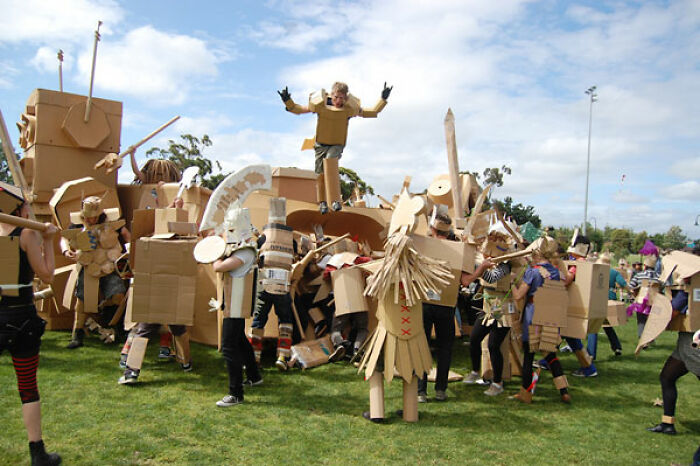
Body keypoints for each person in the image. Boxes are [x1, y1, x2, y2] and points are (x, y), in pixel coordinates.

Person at [0, 182, 61, 465]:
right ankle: (38, 454)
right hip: (20, 318)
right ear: (18, 208)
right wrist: (47, 239)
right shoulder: (25, 233)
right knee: (27, 387)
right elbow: (47, 275)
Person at [278, 81, 392, 214]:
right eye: (336, 97)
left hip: (337, 144)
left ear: (346, 98)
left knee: (330, 161)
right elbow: (298, 110)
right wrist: (287, 100)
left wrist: (383, 99)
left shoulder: (349, 109)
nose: (338, 101)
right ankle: (322, 203)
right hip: (321, 144)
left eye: (341, 98)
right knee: (320, 173)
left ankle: (335, 200)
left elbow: (372, 111)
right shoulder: (321, 105)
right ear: (331, 95)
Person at [417, 212, 486, 402]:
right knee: (445, 348)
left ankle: (420, 391)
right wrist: (482, 268)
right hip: (446, 305)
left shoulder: (422, 244)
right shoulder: (458, 249)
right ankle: (440, 390)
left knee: (422, 346)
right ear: (448, 231)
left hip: (424, 303)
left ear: (432, 228)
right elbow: (466, 281)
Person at [210, 207, 263, 407]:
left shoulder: (246, 251)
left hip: (236, 305)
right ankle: (254, 375)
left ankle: (236, 393)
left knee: (229, 347)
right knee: (240, 340)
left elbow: (219, 267)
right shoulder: (240, 248)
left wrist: (216, 255)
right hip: (233, 304)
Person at [61, 196, 130, 349]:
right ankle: (77, 334)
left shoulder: (111, 221)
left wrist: (130, 251)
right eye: (89, 217)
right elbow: (64, 237)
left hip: (109, 267)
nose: (91, 220)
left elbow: (125, 233)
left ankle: (115, 324)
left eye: (94, 217)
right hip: (89, 267)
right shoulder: (77, 224)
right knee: (84, 299)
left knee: (119, 295)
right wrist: (66, 251)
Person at [511, 236, 571, 404]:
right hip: (551, 316)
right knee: (550, 354)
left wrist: (510, 282)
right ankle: (563, 391)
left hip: (534, 315)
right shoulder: (555, 272)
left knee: (529, 356)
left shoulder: (533, 272)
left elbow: (518, 296)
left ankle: (526, 394)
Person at [463, 222, 516, 396]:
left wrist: (480, 268)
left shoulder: (506, 264)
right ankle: (475, 372)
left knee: (494, 345)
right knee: (474, 338)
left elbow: (492, 278)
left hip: (502, 310)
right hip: (488, 307)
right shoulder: (487, 259)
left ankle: (497, 383)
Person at [646, 287, 699, 435]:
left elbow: (671, 312)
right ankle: (667, 424)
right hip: (686, 345)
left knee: (667, 377)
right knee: (667, 377)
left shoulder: (688, 289)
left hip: (693, 345)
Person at [561, 234, 598, 377]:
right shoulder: (580, 261)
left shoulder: (579, 263)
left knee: (568, 336)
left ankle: (589, 368)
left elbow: (567, 280)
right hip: (571, 305)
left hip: (572, 305)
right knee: (564, 335)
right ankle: (548, 360)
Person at [586, 253, 624, 359]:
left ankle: (591, 354)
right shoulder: (614, 272)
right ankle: (617, 346)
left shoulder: (596, 272)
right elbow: (622, 283)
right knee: (607, 325)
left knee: (593, 327)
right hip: (610, 300)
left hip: (597, 301)